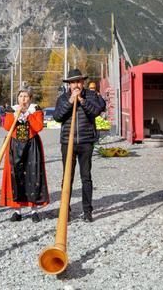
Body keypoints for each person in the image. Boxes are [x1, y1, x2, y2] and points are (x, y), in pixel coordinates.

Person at [53, 69, 103, 222]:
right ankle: (65, 211)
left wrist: (81, 100)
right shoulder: (63, 98)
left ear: (83, 83)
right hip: (67, 143)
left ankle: (87, 211)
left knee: (86, 177)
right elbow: (57, 117)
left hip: (86, 142)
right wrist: (70, 102)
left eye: (79, 81)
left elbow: (96, 112)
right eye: (73, 82)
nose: (76, 85)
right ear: (69, 85)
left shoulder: (91, 96)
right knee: (67, 177)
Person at [0, 88, 49, 223]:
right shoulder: (11, 110)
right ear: (17, 99)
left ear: (30, 98)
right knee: (16, 176)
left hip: (32, 145)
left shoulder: (36, 109)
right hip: (15, 146)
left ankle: (34, 210)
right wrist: (16, 114)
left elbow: (38, 127)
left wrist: (27, 114)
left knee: (33, 175)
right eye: (21, 96)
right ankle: (17, 211)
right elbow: (7, 127)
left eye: (26, 96)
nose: (23, 99)